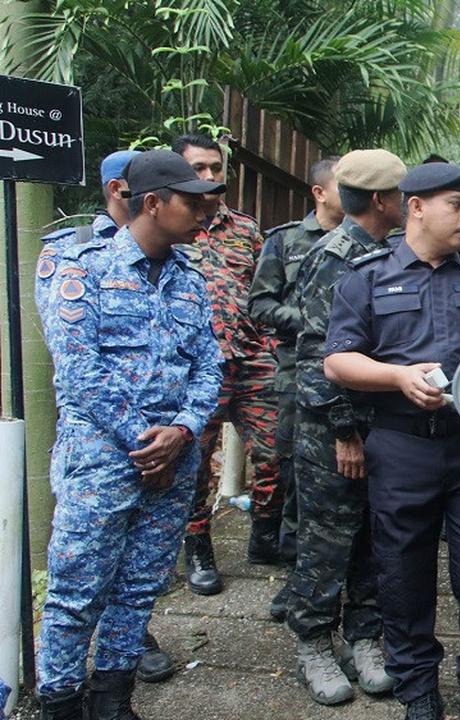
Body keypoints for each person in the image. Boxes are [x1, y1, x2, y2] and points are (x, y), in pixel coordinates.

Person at [324, 162, 460, 720]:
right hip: (401, 447)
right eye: (455, 205)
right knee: (402, 575)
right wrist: (398, 377)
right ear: (415, 207)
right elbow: (337, 360)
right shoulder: (368, 277)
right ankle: (418, 690)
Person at [33, 149, 224, 720]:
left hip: (174, 459)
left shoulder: (190, 278)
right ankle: (60, 703)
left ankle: (112, 700)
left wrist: (183, 430)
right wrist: (149, 441)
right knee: (75, 593)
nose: (205, 212)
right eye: (191, 202)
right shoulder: (82, 267)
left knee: (141, 588)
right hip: (103, 461)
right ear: (153, 204)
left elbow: (209, 365)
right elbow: (79, 369)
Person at [287, 149, 405, 705]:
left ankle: (365, 638)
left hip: (381, 423)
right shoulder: (334, 257)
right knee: (326, 540)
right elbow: (316, 354)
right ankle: (313, 642)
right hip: (333, 431)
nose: (407, 202)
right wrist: (343, 431)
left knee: (373, 539)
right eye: (400, 193)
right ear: (380, 200)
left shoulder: (390, 253)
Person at [173, 133, 283, 594]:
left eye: (215, 168)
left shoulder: (245, 229)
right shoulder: (170, 229)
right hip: (198, 368)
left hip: (251, 359)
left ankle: (265, 533)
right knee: (195, 464)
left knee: (278, 448)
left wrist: (271, 345)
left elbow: (265, 292)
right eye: (198, 168)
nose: (209, 176)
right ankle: (198, 547)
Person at [248, 155, 344, 622]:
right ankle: (296, 578)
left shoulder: (372, 244)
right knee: (295, 479)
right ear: (320, 192)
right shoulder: (285, 241)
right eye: (345, 183)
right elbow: (260, 304)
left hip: (352, 376)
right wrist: (310, 320)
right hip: (296, 375)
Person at [41, 150, 138, 253]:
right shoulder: (67, 245)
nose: (148, 191)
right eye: (141, 184)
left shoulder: (150, 243)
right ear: (116, 189)